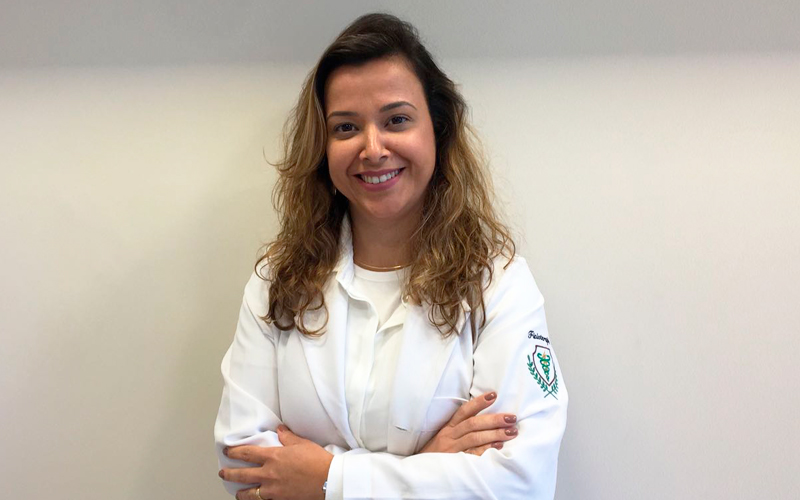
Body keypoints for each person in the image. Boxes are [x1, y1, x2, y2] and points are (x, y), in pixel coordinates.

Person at [214, 12, 567, 500]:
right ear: (322, 147)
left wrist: (327, 479)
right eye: (345, 127)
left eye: (396, 120)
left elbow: (520, 484)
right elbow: (245, 465)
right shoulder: (278, 282)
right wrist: (429, 465)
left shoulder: (499, 285)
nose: (372, 148)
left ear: (437, 129)